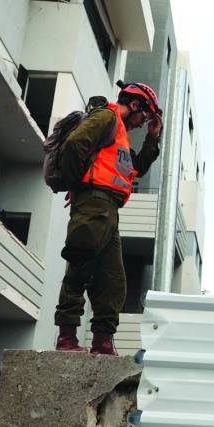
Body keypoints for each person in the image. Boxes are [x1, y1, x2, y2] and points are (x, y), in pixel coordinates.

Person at [54, 82, 163, 355]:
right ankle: (66, 337)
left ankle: (102, 342)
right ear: (136, 105)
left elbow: (134, 169)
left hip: (109, 209)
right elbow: (75, 144)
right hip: (93, 203)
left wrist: (152, 138)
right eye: (144, 117)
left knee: (113, 280)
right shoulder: (107, 117)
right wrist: (76, 184)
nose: (143, 122)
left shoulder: (121, 134)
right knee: (79, 268)